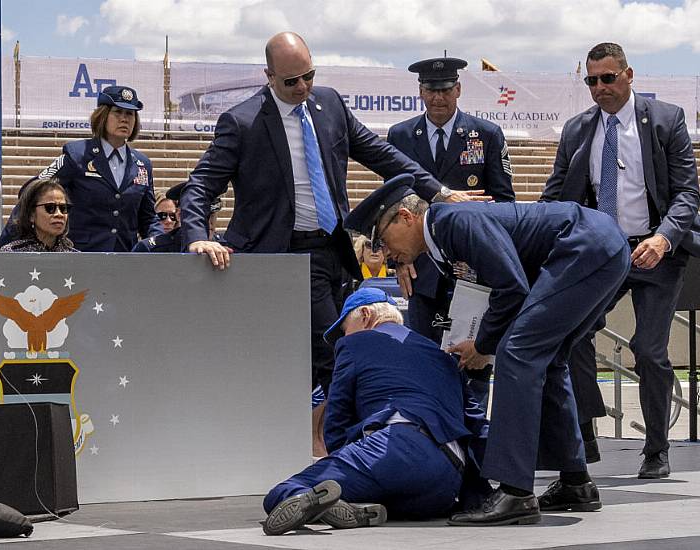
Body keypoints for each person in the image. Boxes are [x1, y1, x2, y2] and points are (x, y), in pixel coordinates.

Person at [179, 31, 477, 400]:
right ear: (268, 76)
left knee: (326, 354)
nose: (303, 86)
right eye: (291, 81)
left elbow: (381, 155)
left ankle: (320, 437)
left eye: (309, 76)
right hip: (279, 254)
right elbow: (201, 184)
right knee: (332, 357)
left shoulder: (330, 104)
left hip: (334, 251)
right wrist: (196, 235)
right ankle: (347, 442)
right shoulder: (242, 122)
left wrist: (439, 191)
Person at [345, 174, 631, 525]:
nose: (386, 253)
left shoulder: (453, 221)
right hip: (598, 245)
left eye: (383, 240)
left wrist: (483, 346)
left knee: (518, 354)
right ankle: (576, 482)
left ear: (406, 217)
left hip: (585, 246)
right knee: (548, 359)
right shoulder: (443, 240)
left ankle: (515, 493)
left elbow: (511, 287)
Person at [541, 43, 700, 477]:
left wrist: (664, 239)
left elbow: (687, 194)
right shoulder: (577, 131)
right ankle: (584, 433)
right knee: (570, 335)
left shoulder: (666, 120)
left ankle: (656, 448)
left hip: (656, 252)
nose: (599, 88)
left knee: (649, 351)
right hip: (601, 252)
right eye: (591, 80)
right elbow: (555, 197)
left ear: (629, 75)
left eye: (607, 78)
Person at [262, 287, 489, 535]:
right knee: (390, 497)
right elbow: (477, 425)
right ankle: (359, 508)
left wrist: (342, 460)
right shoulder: (442, 354)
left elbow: (337, 419)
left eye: (344, 328)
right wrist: (484, 492)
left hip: (393, 448)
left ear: (366, 315)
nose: (343, 336)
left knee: (282, 494)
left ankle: (325, 503)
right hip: (446, 476)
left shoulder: (354, 344)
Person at [387, 57, 515, 408]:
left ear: (458, 89)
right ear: (420, 92)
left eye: (445, 90)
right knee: (426, 361)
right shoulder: (400, 136)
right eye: (431, 90)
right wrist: (398, 262)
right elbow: (392, 210)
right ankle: (433, 439)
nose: (438, 98)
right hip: (422, 271)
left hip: (472, 271)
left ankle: (472, 439)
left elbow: (504, 203)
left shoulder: (486, 135)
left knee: (472, 363)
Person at [0, 85, 163, 251]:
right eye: (117, 112)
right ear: (103, 116)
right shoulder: (77, 155)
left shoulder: (142, 164)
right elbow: (32, 192)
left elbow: (148, 218)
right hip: (79, 260)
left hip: (125, 260)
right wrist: (2, 245)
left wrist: (162, 245)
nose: (124, 119)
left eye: (130, 113)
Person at [0, 178, 76, 252]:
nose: (59, 214)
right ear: (31, 214)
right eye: (50, 208)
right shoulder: (11, 253)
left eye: (63, 208)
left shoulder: (75, 257)